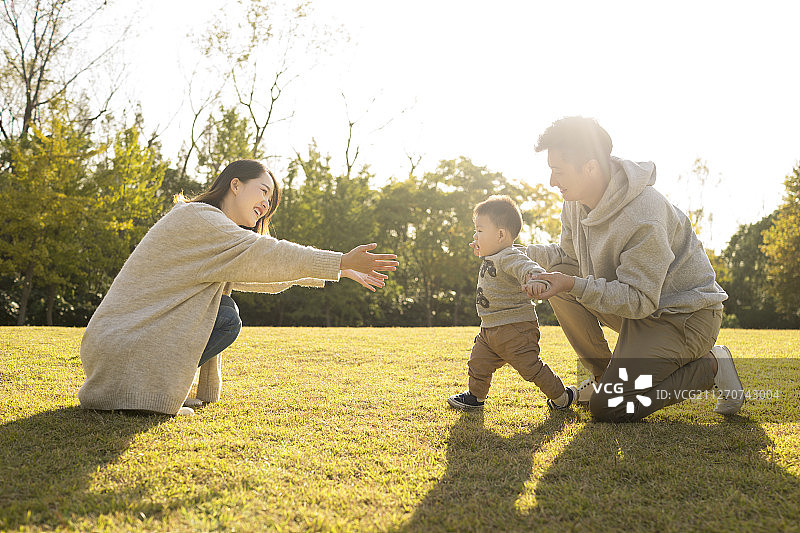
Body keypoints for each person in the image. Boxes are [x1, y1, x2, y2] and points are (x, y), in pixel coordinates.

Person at [78, 159, 398, 416]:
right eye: (262, 191)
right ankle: (146, 392)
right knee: (226, 316)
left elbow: (266, 274)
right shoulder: (201, 220)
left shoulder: (212, 229)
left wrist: (339, 271)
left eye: (270, 199)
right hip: (122, 345)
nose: (266, 203)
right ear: (235, 185)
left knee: (224, 312)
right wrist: (340, 260)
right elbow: (269, 254)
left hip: (121, 343)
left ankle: (156, 390)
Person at [523, 116, 744, 422]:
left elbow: (639, 299)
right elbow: (568, 258)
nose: (551, 181)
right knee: (556, 276)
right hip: (638, 310)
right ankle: (604, 377)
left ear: (589, 167)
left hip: (682, 316)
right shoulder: (575, 201)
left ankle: (711, 366)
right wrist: (518, 253)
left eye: (557, 171)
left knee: (608, 408)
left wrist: (571, 283)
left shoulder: (644, 214)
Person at [448, 195, 578, 411]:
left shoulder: (510, 255)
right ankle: (475, 397)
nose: (475, 235)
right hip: (490, 329)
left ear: (500, 235)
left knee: (531, 369)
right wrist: (481, 247)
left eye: (480, 231)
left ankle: (562, 397)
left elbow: (527, 267)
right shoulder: (495, 256)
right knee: (478, 363)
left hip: (515, 329)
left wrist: (535, 280)